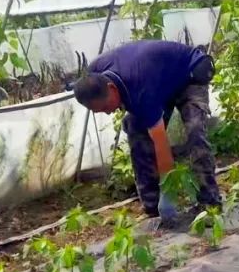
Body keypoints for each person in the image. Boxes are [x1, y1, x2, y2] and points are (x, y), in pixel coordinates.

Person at [72, 40, 221, 227]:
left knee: (194, 130)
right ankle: (151, 205)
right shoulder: (95, 73)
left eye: (105, 107)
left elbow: (161, 144)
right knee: (135, 128)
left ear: (111, 88)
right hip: (160, 82)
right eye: (99, 111)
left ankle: (210, 202)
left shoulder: (141, 89)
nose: (108, 112)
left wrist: (169, 192)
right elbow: (79, 85)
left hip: (188, 73)